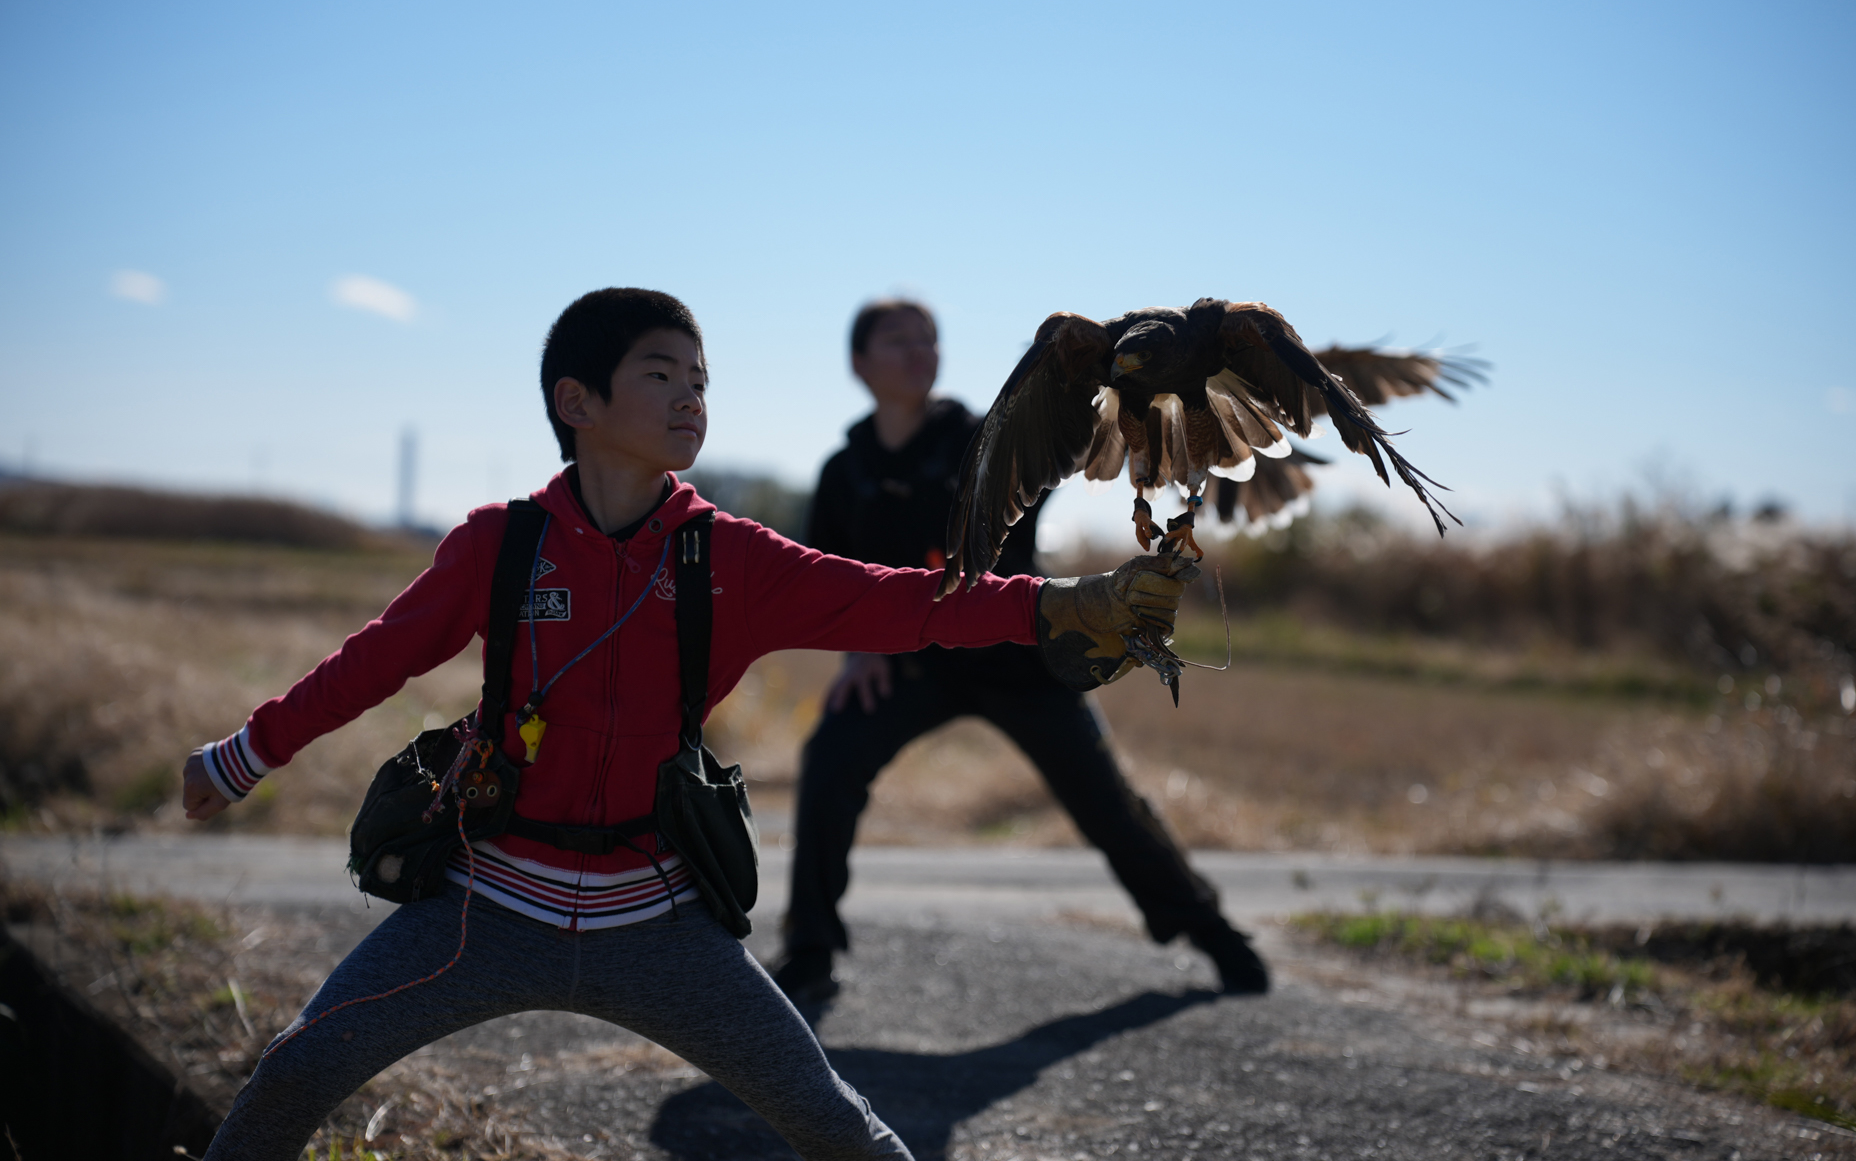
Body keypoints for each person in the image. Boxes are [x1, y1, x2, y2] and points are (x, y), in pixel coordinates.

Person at [179, 288, 1196, 1161]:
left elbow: (902, 599)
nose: (691, 393)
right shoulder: (499, 543)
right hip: (480, 905)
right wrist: (243, 754)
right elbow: (374, 660)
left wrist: (1069, 601)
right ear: (575, 402)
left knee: (839, 1126)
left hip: (659, 922)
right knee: (294, 1070)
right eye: (661, 372)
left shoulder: (731, 558)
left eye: (701, 377)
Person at [770, 299, 1269, 1007]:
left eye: (930, 339)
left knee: (1108, 805)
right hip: (914, 664)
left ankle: (1209, 933)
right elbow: (829, 578)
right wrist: (861, 651)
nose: (920, 351)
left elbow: (1011, 527)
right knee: (829, 758)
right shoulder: (843, 471)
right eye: (898, 340)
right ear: (859, 364)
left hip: (1019, 656)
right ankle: (811, 950)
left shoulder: (992, 433)